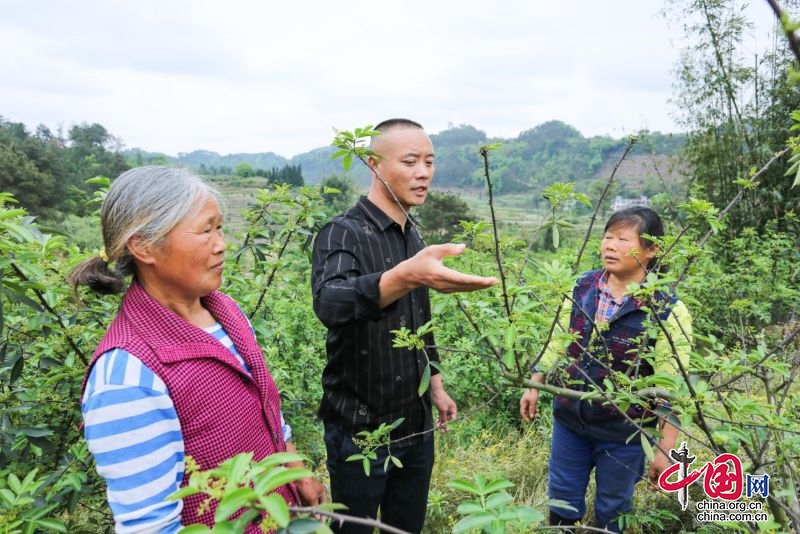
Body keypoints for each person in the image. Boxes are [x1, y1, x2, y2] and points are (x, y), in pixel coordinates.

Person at [70, 166, 326, 533]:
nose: (221, 243)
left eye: (219, 228)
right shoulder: (127, 378)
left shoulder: (227, 312)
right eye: (205, 230)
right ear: (143, 245)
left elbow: (266, 408)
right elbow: (151, 527)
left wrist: (294, 470)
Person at [311, 118, 498, 533]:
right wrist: (404, 276)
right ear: (375, 164)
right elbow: (330, 303)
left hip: (415, 423)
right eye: (410, 161)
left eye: (429, 162)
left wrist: (435, 383)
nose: (423, 172)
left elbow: (419, 319)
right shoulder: (343, 232)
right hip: (359, 428)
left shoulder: (413, 235)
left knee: (405, 527)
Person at [519, 206, 692, 533]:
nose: (609, 245)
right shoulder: (582, 287)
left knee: (614, 507)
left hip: (624, 432)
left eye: (622, 239)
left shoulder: (668, 310)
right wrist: (535, 380)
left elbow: (673, 386)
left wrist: (665, 449)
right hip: (571, 420)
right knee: (562, 500)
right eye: (607, 237)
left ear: (651, 249)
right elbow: (558, 337)